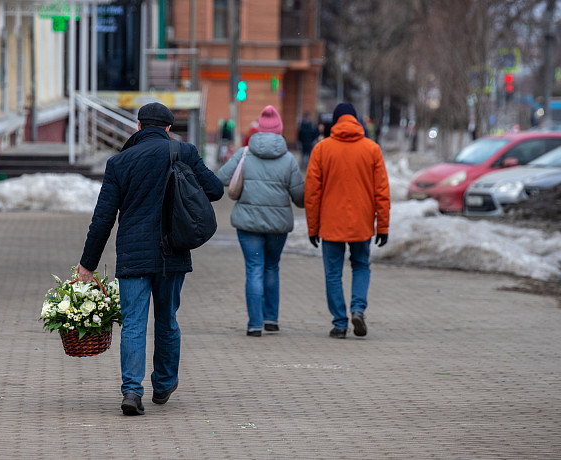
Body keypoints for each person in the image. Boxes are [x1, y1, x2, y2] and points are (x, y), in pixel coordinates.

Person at [75, 102, 223, 416]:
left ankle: (131, 390)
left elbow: (103, 219)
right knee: (167, 319)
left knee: (133, 325)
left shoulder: (119, 162)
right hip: (173, 250)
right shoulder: (183, 151)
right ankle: (164, 383)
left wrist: (87, 264)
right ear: (168, 128)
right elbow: (215, 190)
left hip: (132, 254)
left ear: (139, 127)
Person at [304, 102, 390, 339]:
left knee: (333, 273)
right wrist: (382, 225)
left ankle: (340, 323)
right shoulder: (371, 149)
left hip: (330, 223)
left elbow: (312, 193)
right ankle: (358, 309)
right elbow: (382, 191)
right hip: (362, 223)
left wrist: (313, 228)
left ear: (335, 121)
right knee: (361, 265)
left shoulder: (322, 150)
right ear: (356, 120)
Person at [217, 105, 305, 337]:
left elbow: (222, 178)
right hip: (278, 226)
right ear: (279, 131)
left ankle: (255, 324)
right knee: (271, 267)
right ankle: (271, 319)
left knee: (254, 269)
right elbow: (299, 196)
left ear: (258, 129)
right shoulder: (288, 159)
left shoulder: (245, 153)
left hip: (248, 224)